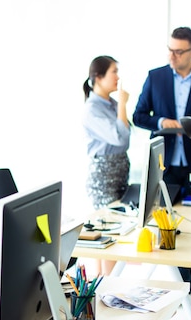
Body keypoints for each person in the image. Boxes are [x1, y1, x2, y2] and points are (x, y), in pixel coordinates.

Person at [133, 26, 191, 320]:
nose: (172, 55)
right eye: (170, 49)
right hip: (166, 168)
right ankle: (180, 292)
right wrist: (167, 122)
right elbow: (139, 116)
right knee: (171, 228)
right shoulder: (155, 76)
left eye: (179, 51)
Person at [81, 55, 130, 276]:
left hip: (118, 173)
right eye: (114, 72)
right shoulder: (92, 108)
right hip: (103, 177)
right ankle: (109, 290)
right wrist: (122, 105)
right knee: (109, 236)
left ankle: (103, 289)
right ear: (98, 77)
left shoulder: (109, 104)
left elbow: (126, 136)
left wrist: (119, 106)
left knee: (110, 235)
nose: (118, 77)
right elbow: (120, 138)